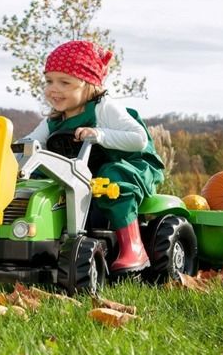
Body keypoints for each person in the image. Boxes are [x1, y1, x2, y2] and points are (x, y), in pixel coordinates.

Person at [25, 40, 165, 275]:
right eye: (49, 81)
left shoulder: (103, 108)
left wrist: (99, 134)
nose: (53, 89)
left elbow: (138, 138)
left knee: (111, 178)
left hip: (130, 165)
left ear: (88, 84)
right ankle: (40, 243)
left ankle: (134, 247)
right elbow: (31, 143)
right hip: (83, 171)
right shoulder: (54, 119)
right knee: (40, 173)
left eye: (64, 82)